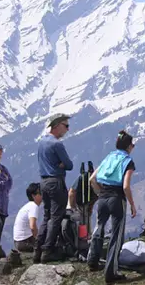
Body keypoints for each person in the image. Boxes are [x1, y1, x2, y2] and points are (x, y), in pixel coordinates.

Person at [87, 131, 138, 285]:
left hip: (102, 197)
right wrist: (132, 204)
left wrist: (99, 193)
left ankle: (92, 261)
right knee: (116, 235)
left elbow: (92, 179)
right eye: (133, 145)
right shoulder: (128, 161)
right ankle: (111, 272)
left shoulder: (109, 157)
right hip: (117, 199)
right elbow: (126, 186)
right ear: (129, 146)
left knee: (99, 228)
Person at [35, 113, 74, 263]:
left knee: (46, 216)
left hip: (43, 182)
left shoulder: (42, 142)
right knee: (56, 216)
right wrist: (61, 165)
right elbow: (69, 165)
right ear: (57, 125)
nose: (67, 129)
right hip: (56, 181)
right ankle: (48, 250)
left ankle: (38, 249)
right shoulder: (57, 144)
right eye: (66, 126)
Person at [13, 183, 44, 252]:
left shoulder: (28, 206)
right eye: (40, 193)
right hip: (24, 242)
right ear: (33, 196)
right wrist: (37, 240)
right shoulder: (33, 206)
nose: (42, 195)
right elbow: (32, 226)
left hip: (19, 242)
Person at [68, 165, 98, 235]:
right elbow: (71, 193)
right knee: (83, 221)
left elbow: (71, 192)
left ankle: (83, 238)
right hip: (79, 204)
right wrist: (73, 208)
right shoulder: (96, 181)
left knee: (83, 221)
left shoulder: (82, 178)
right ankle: (84, 238)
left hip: (81, 203)